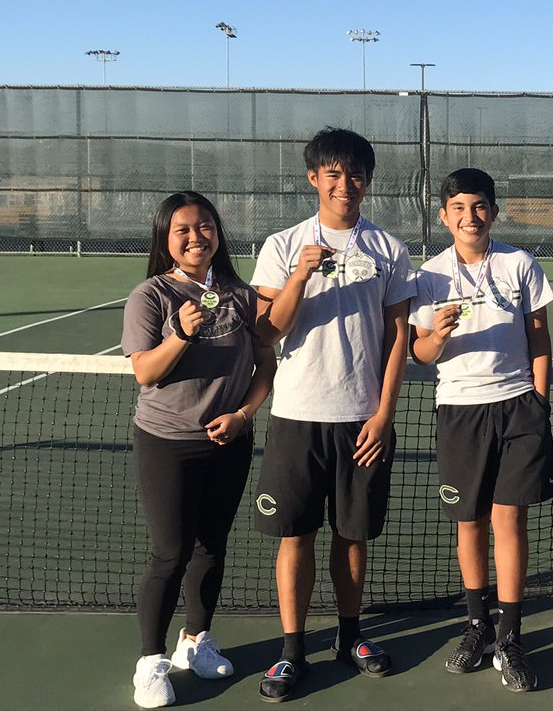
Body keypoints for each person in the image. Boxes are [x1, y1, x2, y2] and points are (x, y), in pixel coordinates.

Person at [250, 127, 415, 703]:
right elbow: (267, 331)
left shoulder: (389, 250)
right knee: (294, 537)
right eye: (334, 174)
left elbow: (399, 336)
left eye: (355, 174)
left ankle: (350, 638)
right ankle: (292, 652)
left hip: (361, 420)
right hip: (296, 417)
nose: (345, 184)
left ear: (367, 180)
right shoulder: (281, 245)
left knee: (352, 536)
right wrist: (300, 275)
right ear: (314, 178)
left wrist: (385, 412)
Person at [122, 191, 276, 709]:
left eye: (205, 226)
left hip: (229, 442)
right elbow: (145, 370)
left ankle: (196, 642)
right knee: (171, 553)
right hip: (166, 443)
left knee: (212, 547)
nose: (196, 237)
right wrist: (181, 335)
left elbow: (265, 366)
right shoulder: (151, 296)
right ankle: (150, 660)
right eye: (183, 229)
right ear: (166, 239)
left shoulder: (240, 293)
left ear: (218, 233)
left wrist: (242, 417)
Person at [409, 168, 553, 693]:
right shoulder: (428, 275)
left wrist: (537, 401)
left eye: (479, 207)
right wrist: (439, 336)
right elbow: (421, 352)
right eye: (458, 208)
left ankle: (510, 636)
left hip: (518, 407)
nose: (469, 217)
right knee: (468, 524)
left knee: (508, 521)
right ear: (444, 216)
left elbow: (539, 336)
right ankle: (477, 626)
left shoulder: (520, 263)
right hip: (460, 412)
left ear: (493, 212)